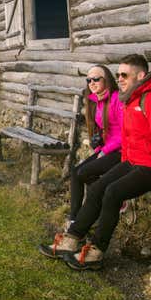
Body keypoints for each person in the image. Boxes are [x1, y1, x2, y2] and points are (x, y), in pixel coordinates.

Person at [62, 54, 151, 271]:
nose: (120, 79)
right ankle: (72, 237)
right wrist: (122, 162)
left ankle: (96, 251)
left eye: (124, 75)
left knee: (112, 193)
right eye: (118, 74)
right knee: (97, 187)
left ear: (141, 75)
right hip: (132, 161)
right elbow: (128, 137)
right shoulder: (131, 99)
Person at [38, 64, 123, 259]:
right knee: (76, 172)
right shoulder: (97, 101)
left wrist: (104, 150)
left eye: (96, 79)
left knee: (85, 173)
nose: (91, 83)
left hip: (121, 151)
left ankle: (83, 221)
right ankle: (74, 220)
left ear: (107, 80)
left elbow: (124, 133)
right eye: (88, 80)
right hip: (107, 149)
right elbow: (107, 131)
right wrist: (99, 143)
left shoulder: (117, 99)